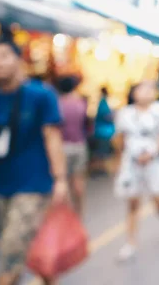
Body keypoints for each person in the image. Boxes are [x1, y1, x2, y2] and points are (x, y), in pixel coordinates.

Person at [0, 27, 68, 285]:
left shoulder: (40, 95)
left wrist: (60, 179)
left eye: (3, 56)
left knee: (12, 251)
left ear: (18, 59)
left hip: (32, 185)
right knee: (23, 247)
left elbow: (52, 137)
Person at [114, 81, 159, 262]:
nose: (146, 92)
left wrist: (153, 153)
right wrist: (119, 161)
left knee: (158, 199)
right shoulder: (125, 114)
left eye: (149, 89)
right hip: (131, 163)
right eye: (142, 89)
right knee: (132, 203)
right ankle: (131, 242)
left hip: (153, 162)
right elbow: (120, 139)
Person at [57, 76, 89, 217]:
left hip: (62, 146)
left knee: (64, 181)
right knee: (78, 181)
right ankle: (79, 213)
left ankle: (69, 215)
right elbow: (87, 124)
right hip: (79, 145)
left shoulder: (57, 104)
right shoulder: (80, 103)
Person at [92, 87, 115, 175]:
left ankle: (101, 169)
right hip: (103, 132)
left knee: (103, 151)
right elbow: (106, 116)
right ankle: (99, 169)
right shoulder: (103, 103)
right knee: (102, 152)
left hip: (103, 132)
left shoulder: (103, 103)